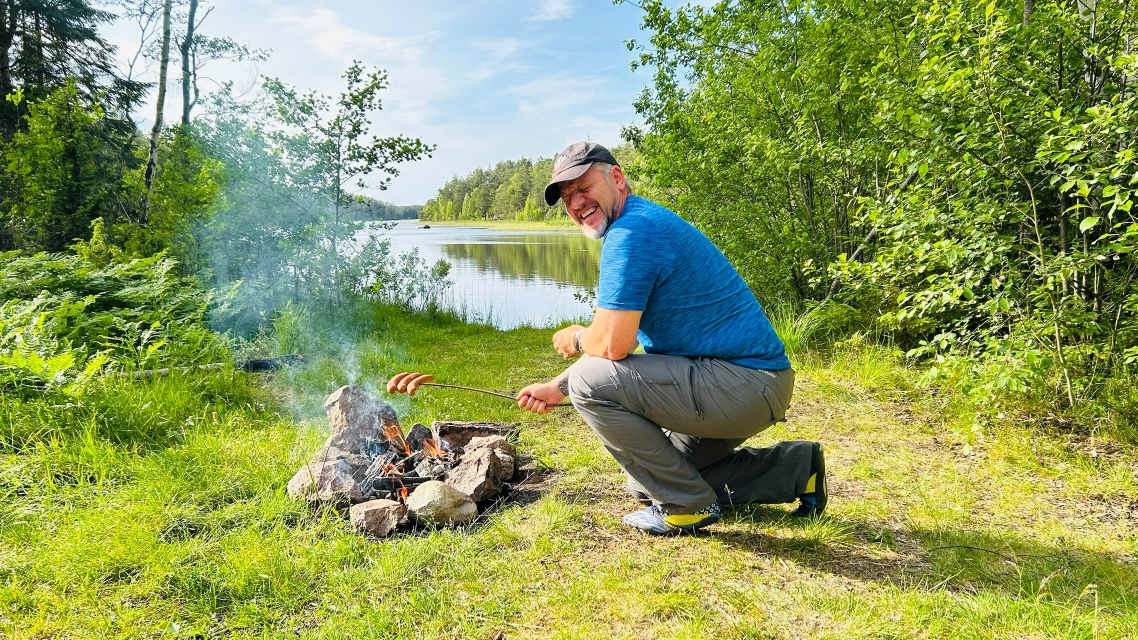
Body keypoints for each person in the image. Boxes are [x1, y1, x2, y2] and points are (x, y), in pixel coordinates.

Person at [514, 142, 827, 535]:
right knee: (646, 482)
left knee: (589, 384)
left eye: (583, 187)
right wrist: (556, 388)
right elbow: (626, 347)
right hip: (753, 385)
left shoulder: (632, 232)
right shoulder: (638, 223)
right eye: (567, 197)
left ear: (617, 178)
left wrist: (577, 339)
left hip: (743, 384)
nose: (577, 203)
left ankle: (687, 506)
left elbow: (612, 346)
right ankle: (797, 469)